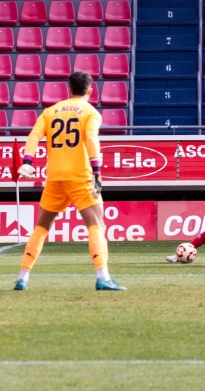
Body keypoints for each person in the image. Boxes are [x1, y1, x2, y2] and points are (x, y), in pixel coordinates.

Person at [14, 71, 125, 291]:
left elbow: (34, 135)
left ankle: (22, 277)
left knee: (41, 227)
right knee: (96, 225)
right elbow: (91, 138)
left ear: (69, 89)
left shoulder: (50, 111)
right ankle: (103, 277)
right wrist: (97, 172)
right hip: (80, 176)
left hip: (55, 177)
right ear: (90, 91)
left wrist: (28, 161)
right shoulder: (90, 112)